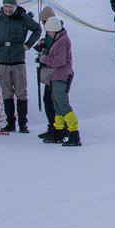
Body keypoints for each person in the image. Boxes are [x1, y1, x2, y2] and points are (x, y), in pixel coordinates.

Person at [0, 0, 42, 132]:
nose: (7, 9)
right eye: (5, 6)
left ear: (15, 7)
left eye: (10, 7)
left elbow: (37, 29)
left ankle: (23, 123)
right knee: (6, 92)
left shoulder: (22, 17)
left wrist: (27, 45)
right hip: (3, 60)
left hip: (18, 60)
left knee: (21, 92)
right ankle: (10, 122)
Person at [38, 17, 80, 146]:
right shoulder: (59, 39)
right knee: (57, 106)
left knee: (63, 106)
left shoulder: (63, 41)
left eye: (50, 31)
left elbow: (58, 61)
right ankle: (58, 132)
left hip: (60, 77)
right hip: (55, 77)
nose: (49, 34)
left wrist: (44, 59)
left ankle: (74, 134)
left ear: (55, 30)